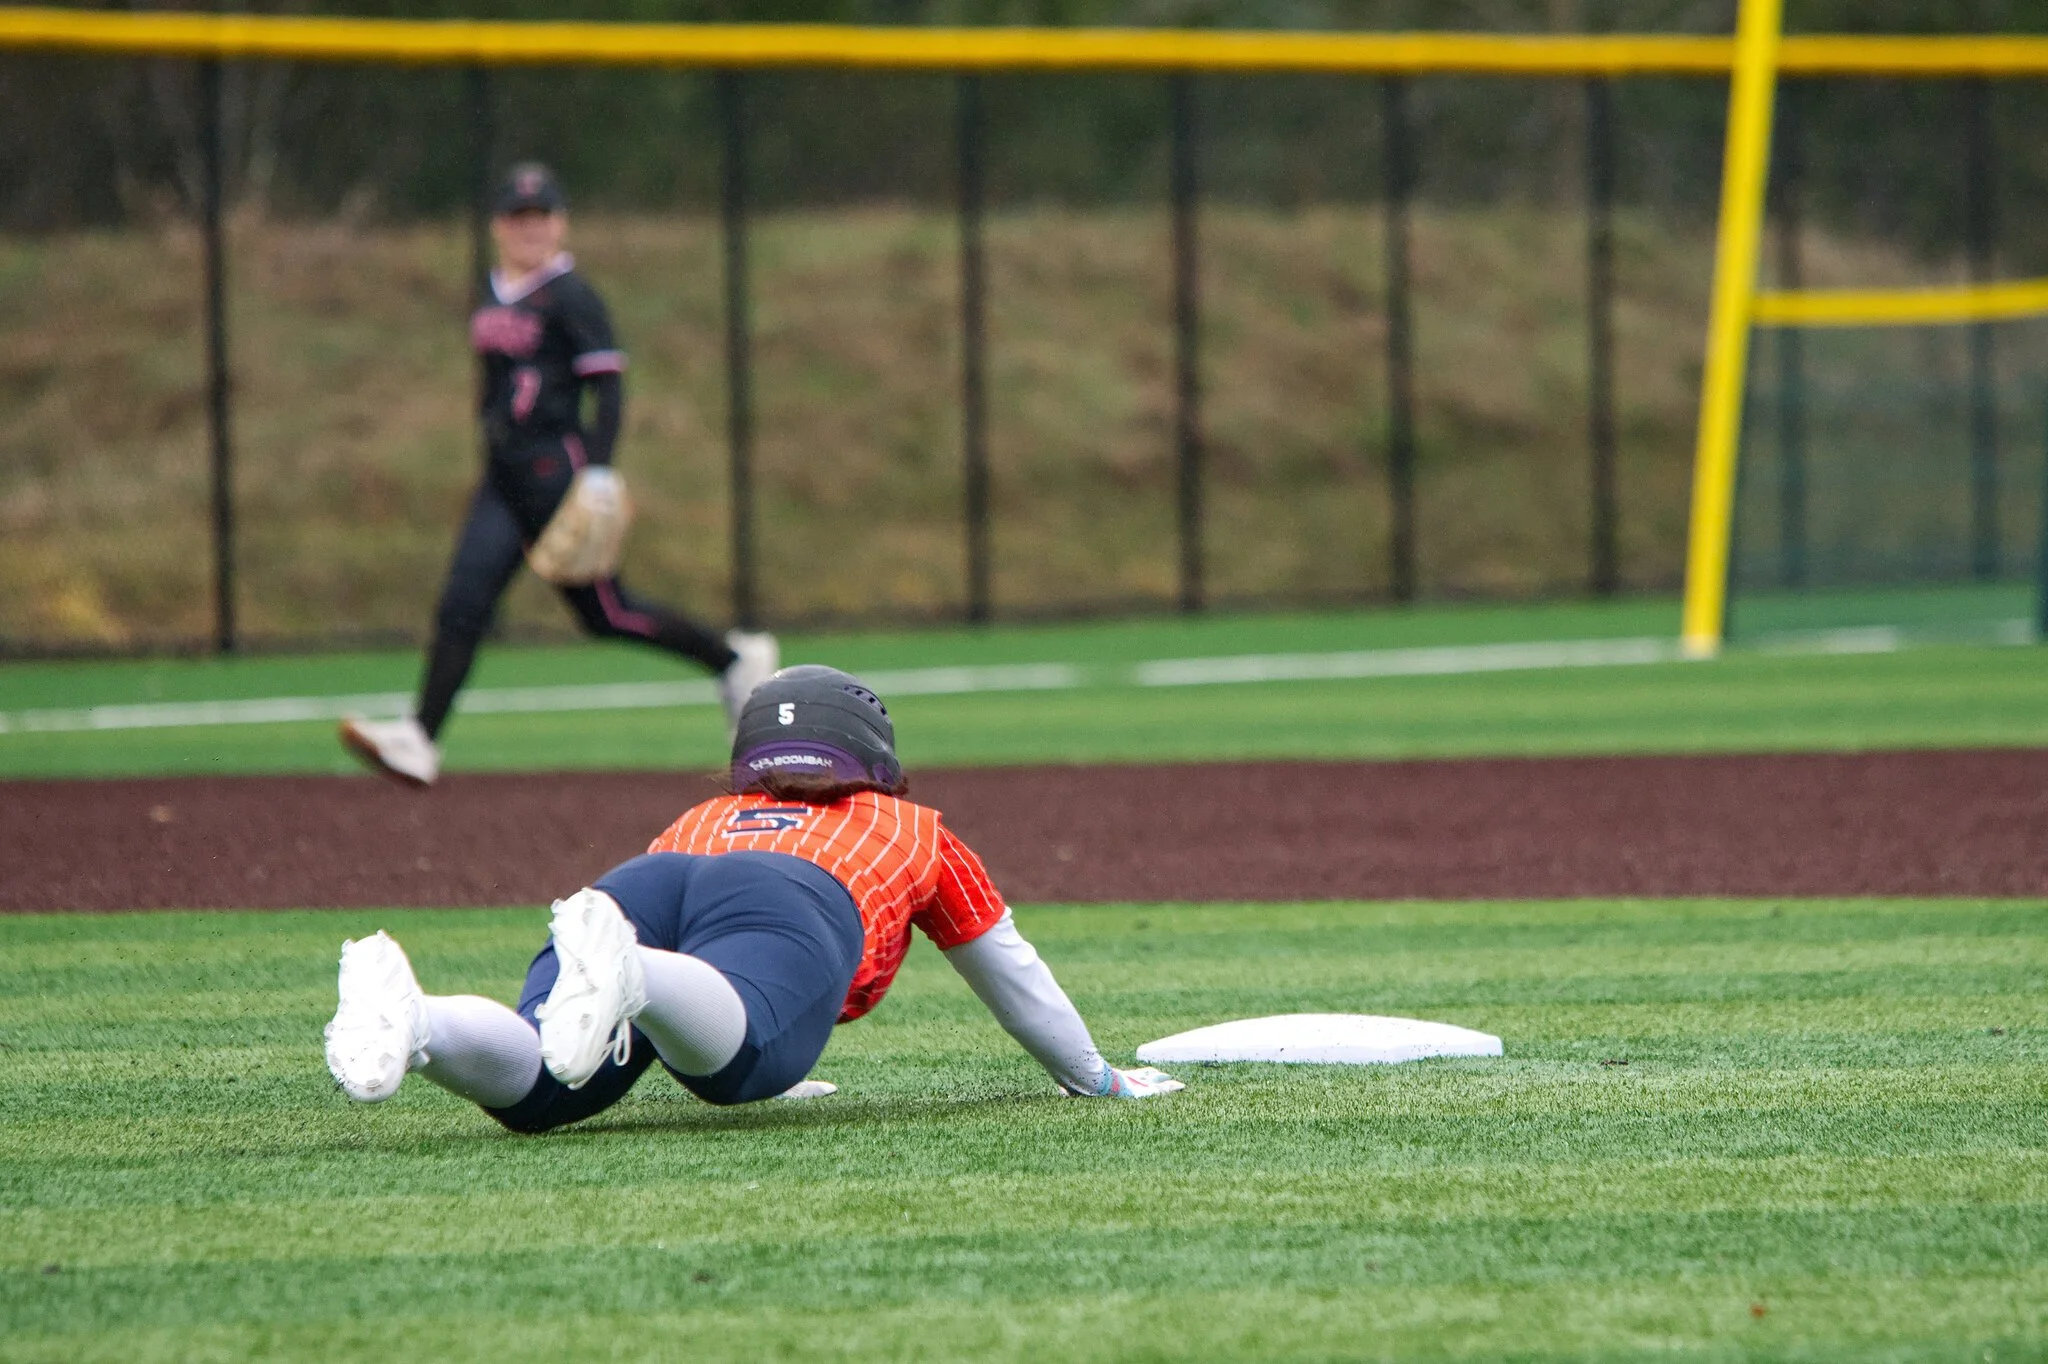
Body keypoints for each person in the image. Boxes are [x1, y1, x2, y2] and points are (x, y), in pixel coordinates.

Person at [323, 664, 1183, 1128]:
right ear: (872, 754)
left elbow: (705, 922)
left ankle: (419, 1020)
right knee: (736, 1073)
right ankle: (637, 975)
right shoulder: (913, 830)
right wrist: (1096, 1080)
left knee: (548, 1083)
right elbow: (1012, 973)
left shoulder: (706, 814)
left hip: (642, 885)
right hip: (793, 900)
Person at [341, 162, 775, 788]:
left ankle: (734, 660)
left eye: (540, 216)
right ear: (498, 226)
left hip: (554, 472)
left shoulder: (572, 295)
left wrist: (598, 470)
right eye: (518, 217)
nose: (530, 228)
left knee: (606, 613)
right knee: (462, 603)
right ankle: (420, 738)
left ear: (560, 223)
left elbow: (610, 389)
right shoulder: (493, 288)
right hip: (502, 476)